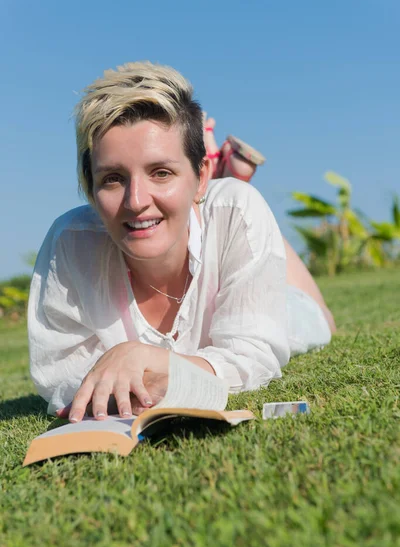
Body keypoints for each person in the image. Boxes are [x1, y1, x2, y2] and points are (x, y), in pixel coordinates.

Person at [28, 61, 335, 423]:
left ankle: (223, 201)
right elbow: (60, 378)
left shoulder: (237, 210)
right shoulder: (69, 243)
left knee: (322, 323)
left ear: (199, 176)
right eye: (113, 178)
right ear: (89, 187)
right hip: (206, 211)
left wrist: (149, 358)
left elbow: (253, 356)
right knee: (229, 209)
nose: (136, 200)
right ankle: (199, 190)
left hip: (237, 243)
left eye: (161, 172)